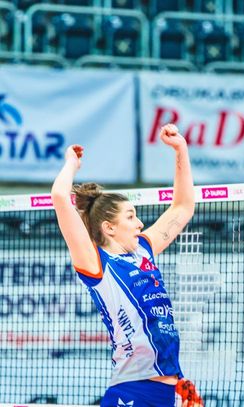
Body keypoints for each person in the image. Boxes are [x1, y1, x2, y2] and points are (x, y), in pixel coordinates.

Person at [51, 124, 203, 407]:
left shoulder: (144, 250)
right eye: (131, 217)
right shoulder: (97, 263)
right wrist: (71, 163)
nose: (140, 223)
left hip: (171, 392)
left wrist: (180, 149)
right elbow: (61, 197)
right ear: (109, 228)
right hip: (133, 392)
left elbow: (182, 207)